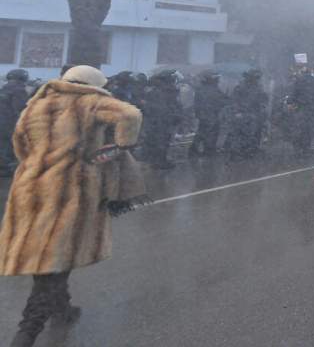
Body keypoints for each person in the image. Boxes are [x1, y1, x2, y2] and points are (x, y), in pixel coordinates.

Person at [0, 65, 145, 347]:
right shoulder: (88, 101)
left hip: (30, 184)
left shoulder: (37, 104)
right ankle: (27, 330)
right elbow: (130, 114)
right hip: (69, 188)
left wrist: (39, 163)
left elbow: (20, 143)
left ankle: (62, 309)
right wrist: (122, 145)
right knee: (56, 258)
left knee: (43, 248)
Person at [140, 70, 182, 169]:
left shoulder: (158, 90)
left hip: (159, 121)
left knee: (158, 140)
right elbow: (165, 108)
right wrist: (174, 116)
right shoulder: (165, 91)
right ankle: (159, 161)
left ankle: (155, 159)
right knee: (161, 141)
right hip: (162, 121)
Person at [226, 69, 268, 161]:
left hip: (255, 114)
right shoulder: (241, 87)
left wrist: (263, 110)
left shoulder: (257, 87)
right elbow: (234, 101)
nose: (257, 79)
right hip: (244, 114)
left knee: (254, 134)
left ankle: (250, 151)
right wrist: (237, 112)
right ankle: (240, 152)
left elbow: (263, 100)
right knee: (243, 134)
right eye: (256, 77)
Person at [190, 71, 228, 158]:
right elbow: (221, 100)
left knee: (202, 132)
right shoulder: (212, 89)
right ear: (213, 79)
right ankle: (208, 150)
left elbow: (198, 104)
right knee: (211, 133)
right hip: (211, 115)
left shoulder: (202, 88)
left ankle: (194, 150)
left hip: (204, 115)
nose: (218, 80)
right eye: (217, 78)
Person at [0, 69, 30, 176]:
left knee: (2, 145)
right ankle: (5, 169)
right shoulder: (19, 90)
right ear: (23, 78)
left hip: (2, 122)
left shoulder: (3, 88)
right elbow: (22, 108)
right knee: (9, 146)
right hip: (10, 123)